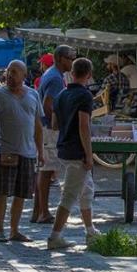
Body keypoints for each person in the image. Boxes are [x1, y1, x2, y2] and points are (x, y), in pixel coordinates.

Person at [0, 60, 43, 243]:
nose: (10, 75)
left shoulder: (33, 95)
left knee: (21, 193)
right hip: (5, 152)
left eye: (15, 72)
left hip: (28, 153)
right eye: (8, 71)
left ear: (24, 76)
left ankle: (14, 230)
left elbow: (38, 126)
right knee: (2, 192)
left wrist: (41, 151)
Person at [48, 57, 99, 249]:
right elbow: (83, 126)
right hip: (77, 150)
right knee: (69, 195)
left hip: (63, 148)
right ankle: (55, 236)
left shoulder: (61, 95)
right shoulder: (85, 95)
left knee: (87, 190)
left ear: (73, 72)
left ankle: (90, 230)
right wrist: (88, 154)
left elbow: (54, 124)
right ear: (88, 74)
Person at [33, 44, 75, 223]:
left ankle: (37, 212)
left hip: (45, 129)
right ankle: (43, 212)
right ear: (60, 58)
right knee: (46, 170)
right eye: (70, 58)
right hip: (49, 130)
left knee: (45, 170)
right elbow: (47, 104)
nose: (72, 61)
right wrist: (56, 126)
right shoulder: (56, 78)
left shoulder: (52, 74)